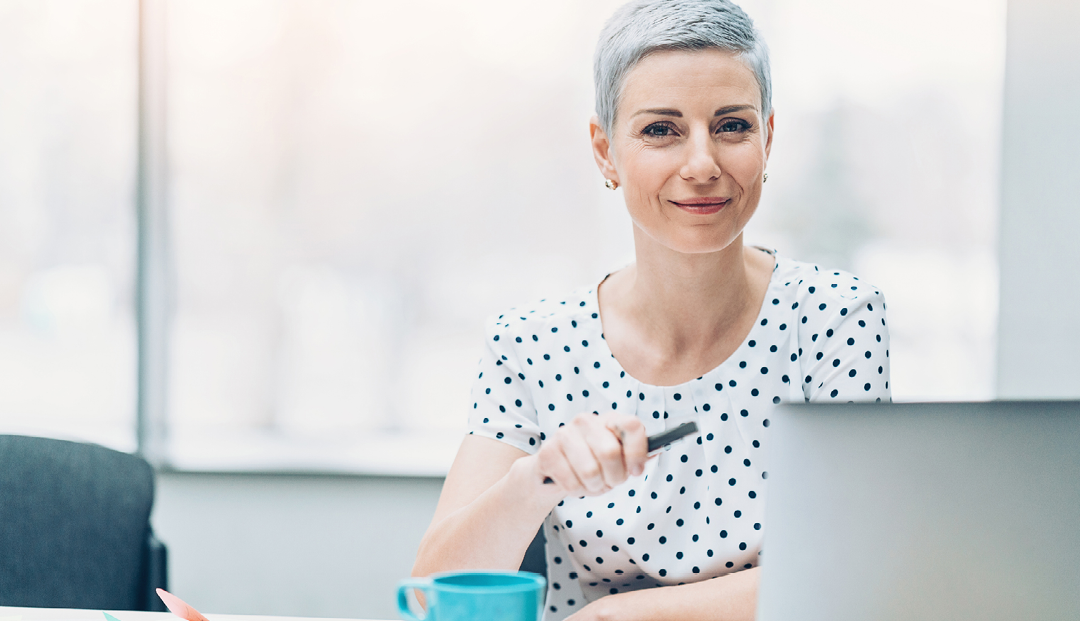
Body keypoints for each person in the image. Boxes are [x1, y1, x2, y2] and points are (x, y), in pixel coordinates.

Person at [412, 0, 892, 619]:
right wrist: (538, 480)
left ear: (767, 138)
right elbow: (429, 599)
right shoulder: (530, 343)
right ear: (605, 150)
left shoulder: (835, 319)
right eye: (661, 130)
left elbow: (852, 573)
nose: (702, 165)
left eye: (732, 126)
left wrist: (619, 616)